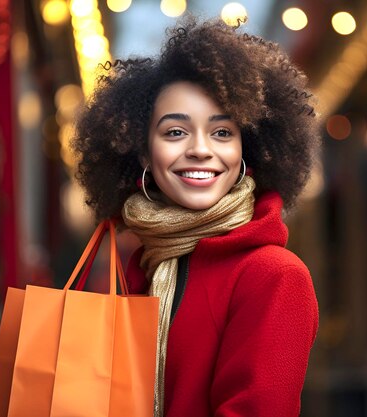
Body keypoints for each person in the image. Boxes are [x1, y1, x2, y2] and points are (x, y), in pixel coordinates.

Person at [71, 16, 320, 417]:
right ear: (142, 153)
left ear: (248, 149)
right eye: (175, 132)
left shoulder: (274, 276)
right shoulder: (145, 267)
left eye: (222, 132)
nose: (201, 150)